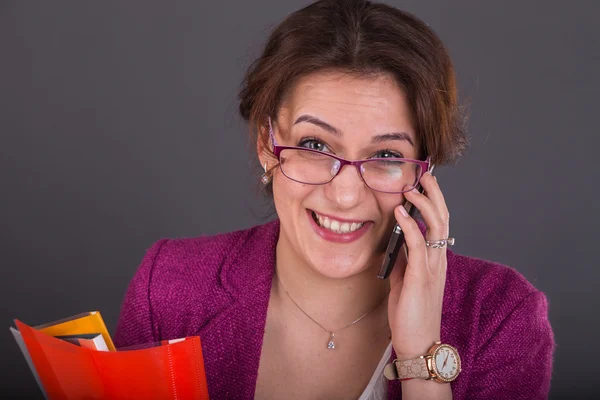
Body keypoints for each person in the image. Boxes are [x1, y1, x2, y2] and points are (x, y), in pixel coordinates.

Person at [114, 0, 554, 398]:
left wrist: (422, 361)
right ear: (268, 147)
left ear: (424, 172)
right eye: (316, 146)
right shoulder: (169, 288)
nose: (345, 195)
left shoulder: (502, 317)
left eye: (386, 155)